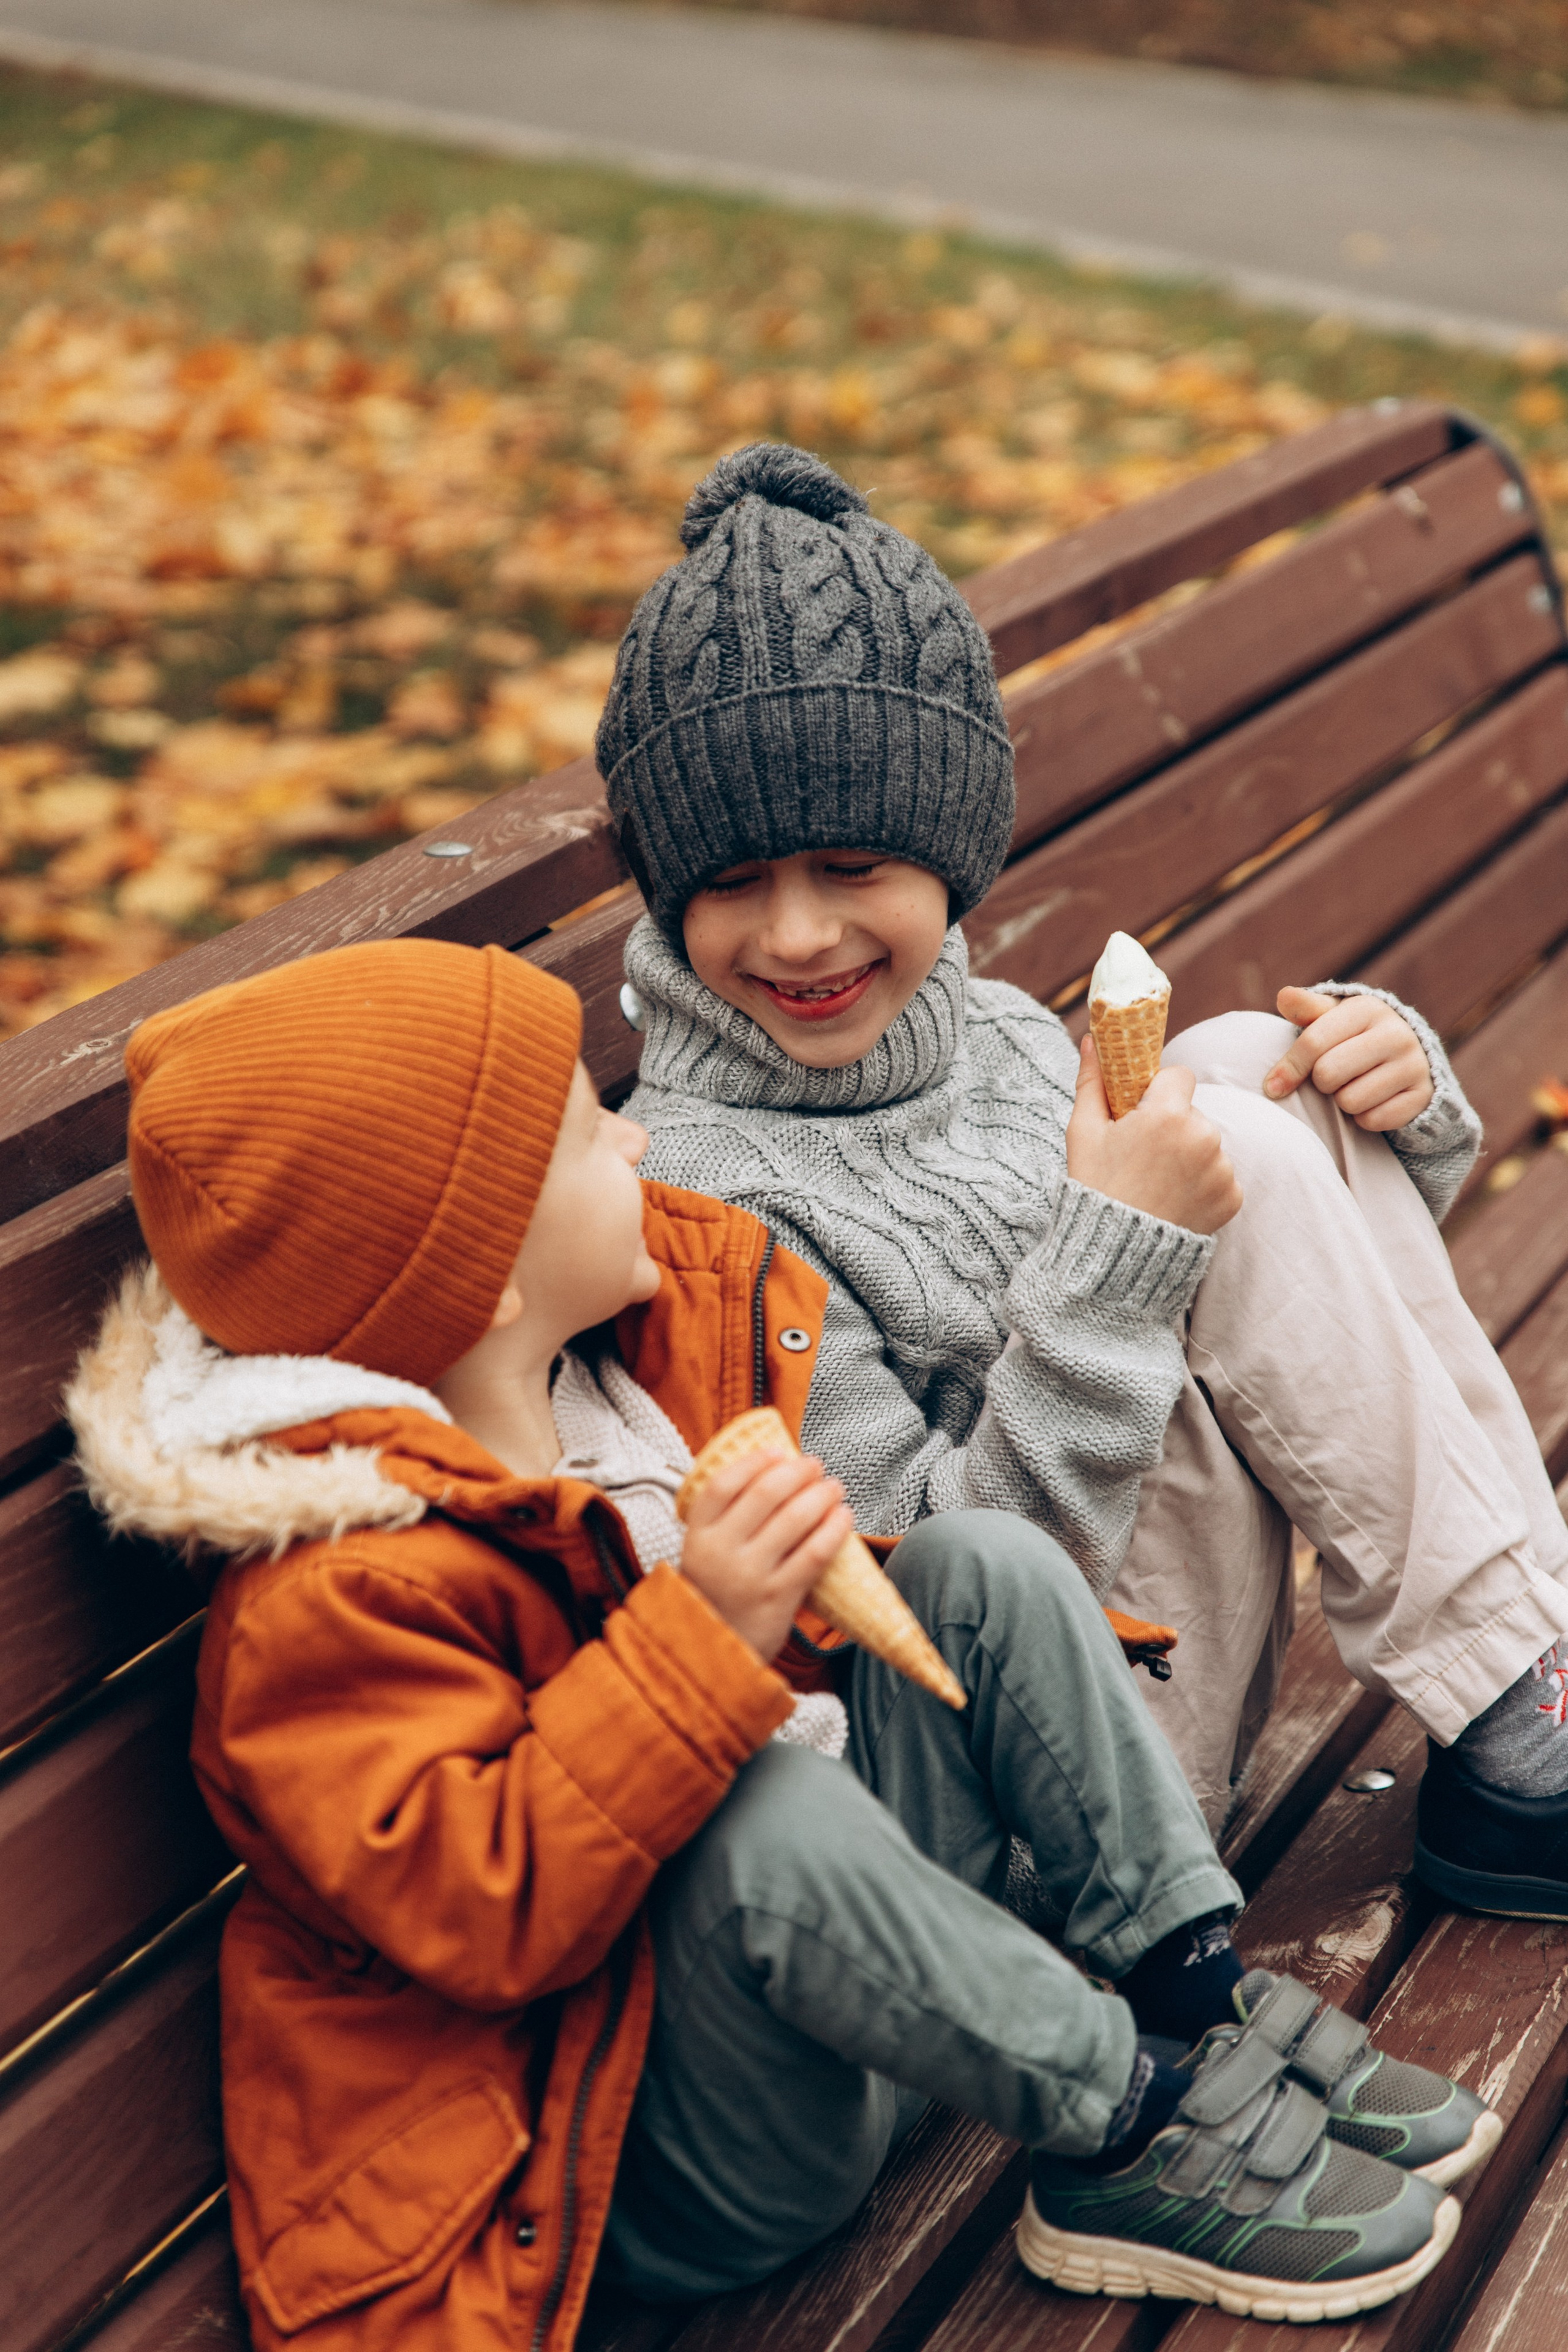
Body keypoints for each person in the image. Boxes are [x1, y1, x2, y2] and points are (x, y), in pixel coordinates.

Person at [69, 939, 1487, 2345]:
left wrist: (803, 1580)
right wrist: (703, 1637)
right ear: (480, 1273)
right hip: (652, 2151)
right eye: (581, 1130)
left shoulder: (619, 1373)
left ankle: (1189, 1995)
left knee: (975, 1566)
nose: (632, 1139)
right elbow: (483, 1910)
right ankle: (1121, 2133)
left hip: (861, 1997)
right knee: (766, 1806)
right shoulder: (333, 1592)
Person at [602, 440, 1568, 1893]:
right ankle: (1518, 1721)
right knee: (1211, 1128)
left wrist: (1394, 1098)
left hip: (1170, 1652)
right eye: (729, 887)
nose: (796, 936)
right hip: (1038, 1798)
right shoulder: (708, 1207)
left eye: (852, 866)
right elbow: (934, 1602)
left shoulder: (993, 1038)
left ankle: (1520, 1689)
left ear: (950, 854)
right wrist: (1119, 1264)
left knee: (1249, 1061)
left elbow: (1298, 1329)